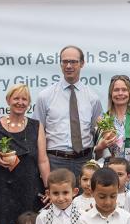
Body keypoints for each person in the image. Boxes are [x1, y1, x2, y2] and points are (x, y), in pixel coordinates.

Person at [0, 83, 49, 224]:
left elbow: (42, 160)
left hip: (30, 190)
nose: (20, 102)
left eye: (24, 99)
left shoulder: (36, 126)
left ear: (29, 104)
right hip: (2, 192)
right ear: (8, 100)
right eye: (16, 98)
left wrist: (48, 187)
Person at [34, 45, 102, 178]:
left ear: (82, 63)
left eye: (73, 62)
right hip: (55, 161)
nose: (69, 66)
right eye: (65, 61)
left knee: (85, 199)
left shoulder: (93, 98)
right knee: (58, 200)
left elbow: (99, 132)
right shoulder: (45, 96)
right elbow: (38, 133)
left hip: (85, 162)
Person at [94, 75, 130, 169]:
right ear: (111, 94)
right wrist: (100, 148)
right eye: (116, 90)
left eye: (124, 90)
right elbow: (97, 157)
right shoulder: (102, 119)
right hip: (111, 175)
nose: (120, 93)